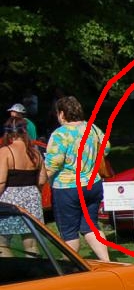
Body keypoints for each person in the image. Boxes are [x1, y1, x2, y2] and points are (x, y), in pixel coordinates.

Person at [44, 96, 111, 261]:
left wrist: (40, 179)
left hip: (67, 188)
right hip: (93, 185)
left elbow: (53, 163)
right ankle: (107, 261)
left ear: (62, 114)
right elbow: (106, 147)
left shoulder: (60, 134)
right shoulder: (92, 128)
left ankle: (70, 267)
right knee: (91, 226)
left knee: (69, 232)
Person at [0, 118, 47, 255]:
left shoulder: (5, 152)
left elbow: (1, 181)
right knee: (31, 245)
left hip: (10, 202)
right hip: (32, 199)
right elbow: (42, 179)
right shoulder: (35, 153)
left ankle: (11, 269)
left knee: (2, 244)